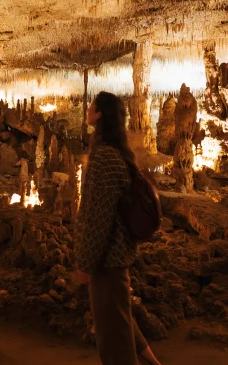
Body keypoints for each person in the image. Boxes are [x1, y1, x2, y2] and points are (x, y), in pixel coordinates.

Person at [74, 91, 162, 365]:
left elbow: (98, 218)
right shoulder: (118, 155)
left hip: (107, 261)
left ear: (99, 114)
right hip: (117, 257)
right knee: (120, 318)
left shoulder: (104, 158)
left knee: (113, 340)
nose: (87, 109)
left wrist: (86, 263)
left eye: (91, 106)